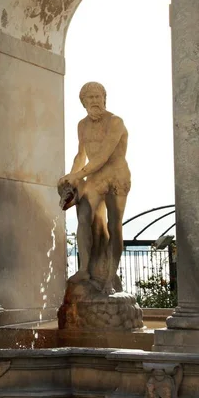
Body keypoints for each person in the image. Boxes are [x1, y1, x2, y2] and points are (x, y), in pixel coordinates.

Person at [58, 82, 131, 293]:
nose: (95, 101)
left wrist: (78, 175)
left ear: (104, 99)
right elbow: (81, 155)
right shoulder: (82, 125)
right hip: (94, 178)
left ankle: (110, 276)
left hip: (116, 176)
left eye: (98, 96)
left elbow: (104, 155)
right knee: (83, 218)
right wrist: (71, 178)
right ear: (83, 102)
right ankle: (84, 269)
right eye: (90, 98)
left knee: (114, 225)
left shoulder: (115, 122)